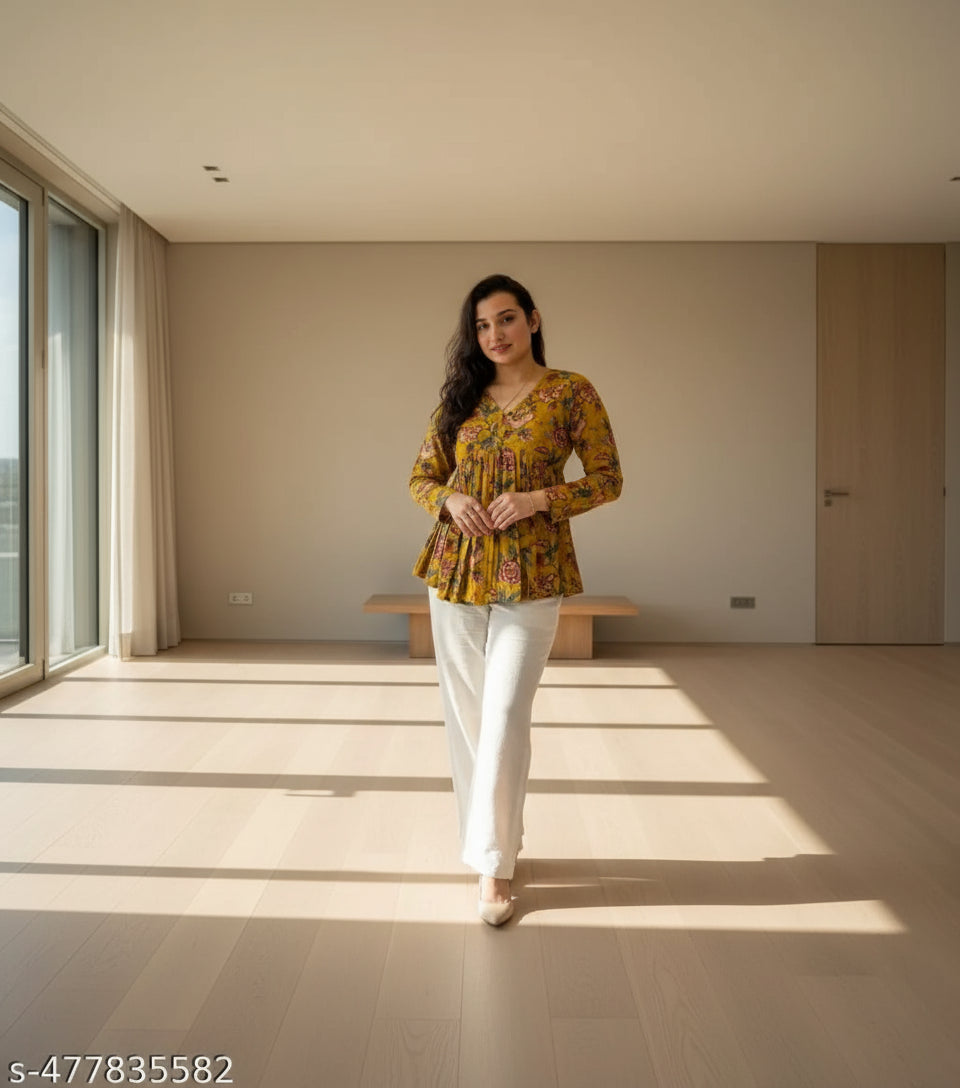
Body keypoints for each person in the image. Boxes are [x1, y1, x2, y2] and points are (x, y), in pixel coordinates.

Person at [409, 273, 622, 925]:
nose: (494, 334)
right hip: (456, 571)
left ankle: (495, 868)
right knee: (469, 720)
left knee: (503, 715)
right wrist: (450, 498)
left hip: (534, 570)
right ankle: (491, 850)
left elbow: (608, 478)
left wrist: (538, 499)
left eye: (505, 319)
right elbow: (421, 478)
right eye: (481, 325)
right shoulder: (461, 398)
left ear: (532, 319)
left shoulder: (571, 392)